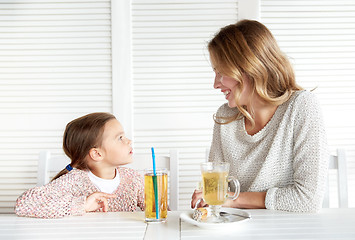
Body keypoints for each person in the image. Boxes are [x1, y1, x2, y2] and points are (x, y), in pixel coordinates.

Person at [191, 19, 328, 212]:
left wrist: (235, 199)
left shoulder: (301, 107)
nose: (215, 83)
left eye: (221, 72)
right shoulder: (225, 116)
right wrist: (209, 197)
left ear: (249, 67)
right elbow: (219, 193)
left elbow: (308, 199)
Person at [15, 112, 144, 218]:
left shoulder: (133, 179)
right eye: (120, 138)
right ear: (97, 154)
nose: (129, 141)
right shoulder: (74, 180)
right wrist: (82, 205)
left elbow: (160, 210)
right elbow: (24, 204)